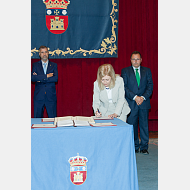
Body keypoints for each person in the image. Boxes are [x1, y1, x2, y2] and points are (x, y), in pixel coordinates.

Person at [121, 51, 153, 154]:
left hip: (144, 103)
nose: (136, 61)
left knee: (144, 126)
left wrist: (142, 97)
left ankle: (144, 147)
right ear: (130, 60)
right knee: (132, 125)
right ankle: (134, 146)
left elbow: (150, 86)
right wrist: (135, 97)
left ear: (141, 60)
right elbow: (124, 87)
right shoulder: (125, 71)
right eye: (134, 59)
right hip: (131, 103)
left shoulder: (147, 71)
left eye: (137, 59)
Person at [31, 45, 58, 118]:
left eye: (46, 52)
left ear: (48, 53)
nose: (44, 54)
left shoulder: (53, 65)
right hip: (39, 97)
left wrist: (40, 78)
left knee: (53, 120)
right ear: (39, 54)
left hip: (50, 97)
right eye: (42, 52)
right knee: (37, 120)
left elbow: (55, 78)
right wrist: (46, 76)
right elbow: (33, 78)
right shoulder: (35, 65)